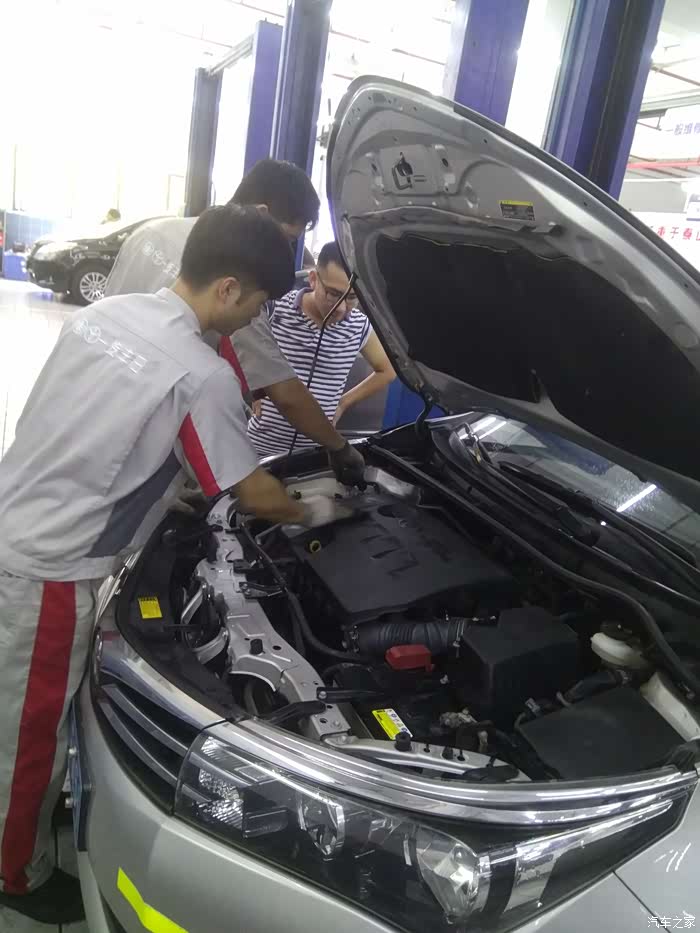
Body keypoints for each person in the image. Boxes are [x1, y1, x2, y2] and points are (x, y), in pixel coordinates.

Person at [0, 205, 348, 925]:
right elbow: (254, 492)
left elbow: (102, 431)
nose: (253, 319)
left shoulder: (107, 314)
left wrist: (165, 493)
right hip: (49, 571)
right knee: (27, 733)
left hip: (15, 518)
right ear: (228, 288)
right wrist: (314, 510)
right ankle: (16, 874)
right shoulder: (201, 371)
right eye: (257, 303)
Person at [105, 159, 365, 485]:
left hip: (100, 411)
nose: (283, 251)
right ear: (261, 213)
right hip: (148, 449)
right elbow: (283, 390)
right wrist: (339, 447)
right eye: (286, 238)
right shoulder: (239, 277)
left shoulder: (149, 233)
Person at [248, 241, 395, 457]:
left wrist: (343, 403)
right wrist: (252, 386)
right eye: (333, 294)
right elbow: (234, 346)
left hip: (315, 453)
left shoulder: (359, 326)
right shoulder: (275, 309)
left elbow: (387, 370)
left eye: (352, 297)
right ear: (313, 279)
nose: (341, 308)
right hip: (259, 449)